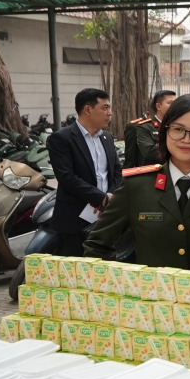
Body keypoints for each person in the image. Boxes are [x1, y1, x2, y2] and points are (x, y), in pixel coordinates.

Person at [84, 95, 190, 272]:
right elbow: (97, 245)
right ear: (165, 132)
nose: (187, 139)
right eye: (178, 129)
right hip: (152, 297)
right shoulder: (137, 186)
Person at [48, 88, 123, 257]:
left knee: (105, 266)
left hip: (106, 215)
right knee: (77, 270)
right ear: (88, 109)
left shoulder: (107, 138)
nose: (109, 113)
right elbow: (67, 177)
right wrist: (100, 198)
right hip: (75, 218)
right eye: (104, 108)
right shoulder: (62, 138)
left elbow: (117, 170)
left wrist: (110, 196)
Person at [125, 90, 175, 168]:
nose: (174, 106)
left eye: (175, 103)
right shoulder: (144, 127)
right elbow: (149, 151)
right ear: (158, 106)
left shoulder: (177, 127)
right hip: (151, 174)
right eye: (170, 103)